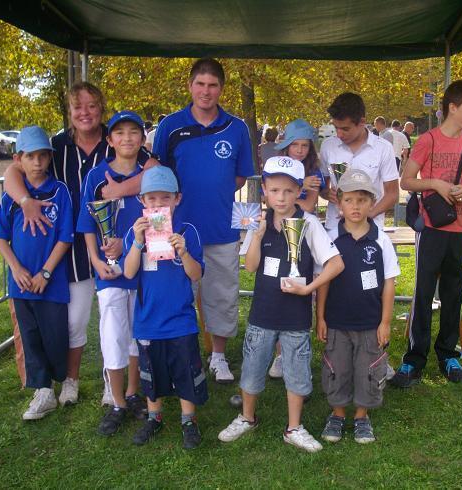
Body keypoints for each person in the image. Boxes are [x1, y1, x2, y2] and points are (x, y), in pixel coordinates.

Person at [2, 82, 152, 406]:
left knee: (120, 318)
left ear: (102, 110)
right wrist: (25, 200)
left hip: (119, 247)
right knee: (76, 321)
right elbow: (13, 171)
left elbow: (154, 169)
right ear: (69, 113)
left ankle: (112, 386)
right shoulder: (56, 146)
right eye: (77, 107)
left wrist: (121, 191)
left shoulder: (116, 140)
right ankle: (70, 380)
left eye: (92, 106)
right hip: (68, 249)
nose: (85, 113)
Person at [218, 156, 344, 453]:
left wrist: (309, 289)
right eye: (274, 190)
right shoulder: (257, 222)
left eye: (288, 191)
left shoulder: (309, 223)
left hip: (295, 317)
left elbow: (335, 264)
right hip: (262, 313)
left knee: (297, 371)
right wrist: (258, 235)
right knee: (252, 367)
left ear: (299, 190)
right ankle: (247, 417)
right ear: (264, 190)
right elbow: (250, 267)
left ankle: (294, 427)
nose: (281, 197)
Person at [153, 58, 254, 384]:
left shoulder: (237, 128)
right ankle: (181, 355)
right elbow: (158, 178)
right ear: (190, 86)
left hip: (222, 228)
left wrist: (220, 195)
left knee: (223, 293)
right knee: (176, 292)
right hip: (175, 231)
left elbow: (242, 177)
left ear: (221, 89)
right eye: (200, 84)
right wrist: (160, 226)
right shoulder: (170, 125)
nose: (206, 91)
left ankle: (219, 357)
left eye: (212, 85)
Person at [392, 79, 462, 387]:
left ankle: (448, 354)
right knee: (423, 292)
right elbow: (406, 181)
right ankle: (414, 359)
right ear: (453, 107)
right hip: (432, 229)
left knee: (454, 293)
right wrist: (436, 184)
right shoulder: (428, 140)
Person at [123, 166, 207, 449]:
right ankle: (154, 416)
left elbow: (196, 275)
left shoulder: (188, 231)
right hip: (148, 320)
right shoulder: (135, 232)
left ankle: (188, 419)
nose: (158, 205)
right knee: (151, 371)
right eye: (152, 199)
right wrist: (137, 243)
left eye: (165, 198)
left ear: (177, 199)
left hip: (181, 319)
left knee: (185, 369)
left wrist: (183, 252)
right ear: (142, 202)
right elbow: (129, 272)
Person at [76, 111, 149, 435]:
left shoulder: (149, 176)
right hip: (109, 274)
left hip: (143, 267)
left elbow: (157, 219)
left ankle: (133, 394)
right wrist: (95, 259)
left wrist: (129, 245)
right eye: (120, 133)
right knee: (112, 334)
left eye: (135, 132)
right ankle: (117, 400)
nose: (128, 138)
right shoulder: (96, 177)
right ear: (110, 140)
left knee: (137, 334)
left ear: (143, 139)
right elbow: (87, 224)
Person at [0, 126, 73, 420]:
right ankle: (43, 392)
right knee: (30, 337)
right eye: (31, 156)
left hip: (50, 283)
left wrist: (46, 273)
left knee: (54, 336)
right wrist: (17, 269)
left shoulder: (59, 191)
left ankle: (63, 381)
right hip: (21, 283)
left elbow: (65, 237)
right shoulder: (12, 198)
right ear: (18, 159)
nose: (37, 162)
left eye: (43, 156)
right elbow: (0, 237)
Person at [317, 168, 399, 444]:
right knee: (336, 368)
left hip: (370, 322)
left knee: (368, 369)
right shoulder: (329, 237)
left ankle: (362, 416)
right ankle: (338, 414)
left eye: (362, 200)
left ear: (371, 203)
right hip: (337, 321)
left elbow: (389, 282)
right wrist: (321, 317)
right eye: (349, 200)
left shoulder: (380, 240)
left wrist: (385, 322)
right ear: (339, 202)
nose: (355, 206)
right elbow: (324, 282)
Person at [267, 118, 325, 379]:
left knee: (302, 292)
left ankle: (300, 349)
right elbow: (270, 201)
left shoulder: (315, 173)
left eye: (305, 145)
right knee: (279, 290)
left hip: (303, 234)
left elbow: (309, 207)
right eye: (295, 145)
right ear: (286, 147)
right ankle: (280, 355)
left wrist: (303, 194)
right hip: (278, 234)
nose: (300, 150)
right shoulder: (276, 170)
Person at [320, 93, 399, 232]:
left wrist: (369, 215)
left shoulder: (383, 148)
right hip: (335, 228)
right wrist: (327, 193)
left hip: (370, 229)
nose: (339, 134)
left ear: (362, 122)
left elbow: (392, 194)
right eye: (335, 127)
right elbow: (322, 187)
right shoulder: (328, 146)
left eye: (345, 129)